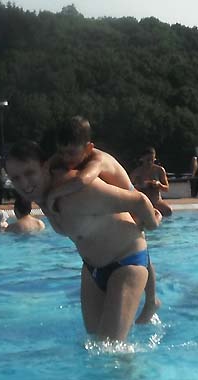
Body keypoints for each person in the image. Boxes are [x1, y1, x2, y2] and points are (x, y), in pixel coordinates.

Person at [5, 139, 161, 342]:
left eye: (29, 173)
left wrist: (152, 224)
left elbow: (139, 201)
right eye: (16, 178)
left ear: (45, 167)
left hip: (127, 262)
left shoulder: (78, 191)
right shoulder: (42, 196)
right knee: (94, 346)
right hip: (92, 270)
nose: (24, 183)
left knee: (111, 349)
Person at [47, 116, 162, 324]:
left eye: (71, 153)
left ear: (88, 148)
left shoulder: (97, 159)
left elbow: (82, 180)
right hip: (118, 205)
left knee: (142, 243)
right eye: (61, 152)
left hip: (133, 202)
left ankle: (152, 300)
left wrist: (53, 195)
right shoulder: (69, 155)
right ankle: (151, 299)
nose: (65, 159)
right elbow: (49, 164)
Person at [130, 147, 173, 217]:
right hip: (143, 202)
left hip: (156, 201)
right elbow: (128, 188)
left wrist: (159, 185)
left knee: (168, 211)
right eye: (148, 160)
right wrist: (140, 186)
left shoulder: (159, 170)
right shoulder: (136, 172)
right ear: (142, 159)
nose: (150, 162)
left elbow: (166, 188)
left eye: (152, 160)